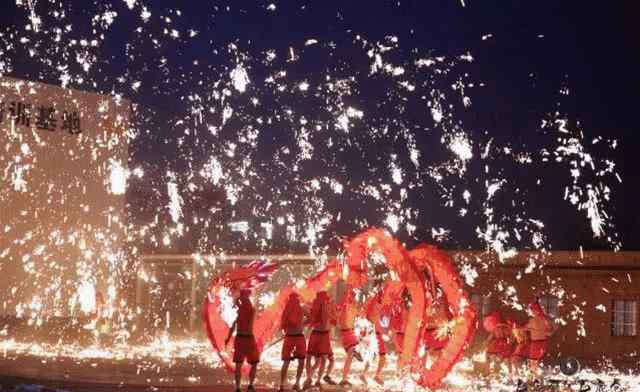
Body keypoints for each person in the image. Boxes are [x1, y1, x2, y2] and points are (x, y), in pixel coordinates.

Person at [226, 288, 260, 392]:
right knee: (254, 363)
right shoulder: (251, 309)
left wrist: (228, 338)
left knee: (238, 364)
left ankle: (237, 387)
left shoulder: (237, 310)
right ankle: (250, 385)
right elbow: (250, 325)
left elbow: (232, 326)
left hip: (239, 338)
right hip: (248, 339)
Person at [304, 291, 334, 389]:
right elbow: (326, 322)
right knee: (322, 359)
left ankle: (310, 379)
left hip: (317, 334)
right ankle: (315, 380)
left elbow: (311, 320)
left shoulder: (315, 305)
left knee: (313, 359)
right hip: (322, 335)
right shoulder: (323, 305)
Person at [279, 292, 307, 392]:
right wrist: (303, 324)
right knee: (301, 361)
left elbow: (282, 326)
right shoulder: (302, 308)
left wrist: (286, 330)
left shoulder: (286, 309)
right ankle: (297, 383)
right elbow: (311, 318)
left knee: (286, 361)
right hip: (299, 337)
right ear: (298, 298)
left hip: (289, 337)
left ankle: (282, 385)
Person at [336, 288, 361, 387]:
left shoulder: (350, 307)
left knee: (350, 358)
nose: (353, 298)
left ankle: (344, 379)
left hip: (350, 334)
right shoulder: (344, 307)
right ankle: (344, 379)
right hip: (347, 335)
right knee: (351, 355)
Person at [362, 291, 387, 386]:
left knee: (372, 356)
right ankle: (376, 375)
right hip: (375, 335)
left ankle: (364, 374)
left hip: (373, 334)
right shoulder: (376, 306)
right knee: (382, 357)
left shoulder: (373, 304)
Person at [522, 301, 553, 375]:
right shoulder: (533, 320)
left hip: (539, 343)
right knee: (534, 360)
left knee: (536, 360)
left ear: (536, 310)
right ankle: (534, 374)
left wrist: (542, 331)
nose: (532, 312)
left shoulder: (544, 320)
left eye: (533, 310)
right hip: (537, 343)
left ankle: (537, 374)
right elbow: (525, 328)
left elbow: (550, 332)